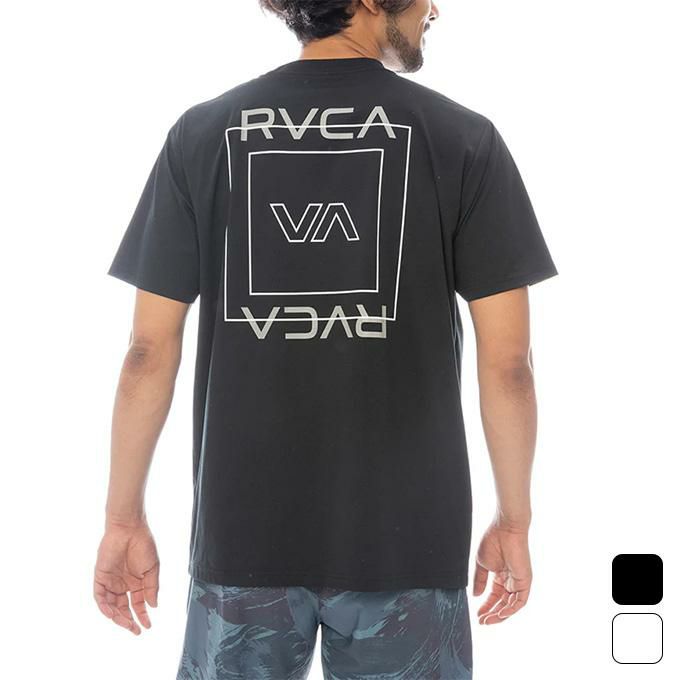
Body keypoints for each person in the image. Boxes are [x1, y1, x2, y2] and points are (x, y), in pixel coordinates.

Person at [94, 1, 558, 677]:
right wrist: (513, 520)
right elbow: (510, 364)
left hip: (243, 538)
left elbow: (147, 352)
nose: (435, 8)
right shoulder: (462, 139)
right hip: (408, 547)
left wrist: (122, 519)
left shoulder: (203, 133)